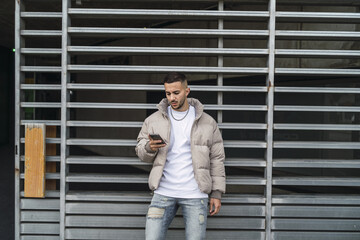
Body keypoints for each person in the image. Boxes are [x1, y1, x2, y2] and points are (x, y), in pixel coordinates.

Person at [135, 72, 226, 240]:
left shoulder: (207, 122)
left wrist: (216, 193)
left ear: (187, 91)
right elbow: (141, 152)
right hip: (163, 192)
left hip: (195, 195)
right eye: (168, 93)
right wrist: (149, 147)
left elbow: (217, 158)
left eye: (176, 93)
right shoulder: (153, 120)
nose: (172, 98)